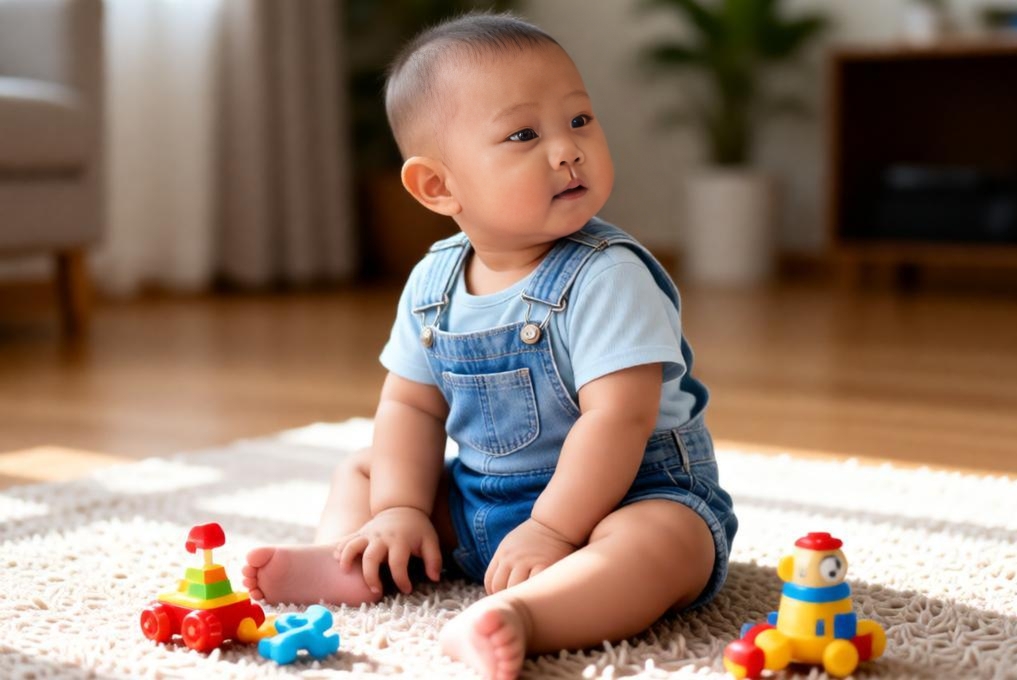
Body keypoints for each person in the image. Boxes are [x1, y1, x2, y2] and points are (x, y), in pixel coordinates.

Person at [242, 12, 737, 680]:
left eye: (580, 121)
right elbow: (411, 408)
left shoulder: (609, 274)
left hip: (624, 497)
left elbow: (620, 417)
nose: (567, 149)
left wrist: (556, 531)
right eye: (524, 134)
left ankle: (527, 616)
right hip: (484, 504)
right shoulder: (433, 282)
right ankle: (350, 558)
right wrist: (399, 509)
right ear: (438, 186)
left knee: (668, 543)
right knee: (365, 469)